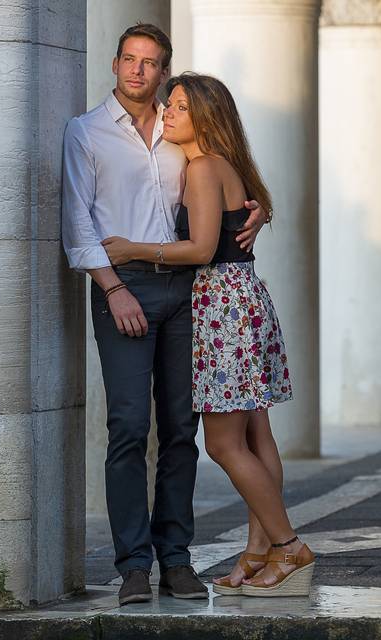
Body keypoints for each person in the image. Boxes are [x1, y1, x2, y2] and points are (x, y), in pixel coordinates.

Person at [60, 24, 268, 605]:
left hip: (191, 293)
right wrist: (112, 288)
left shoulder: (183, 131)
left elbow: (233, 185)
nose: (137, 71)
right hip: (124, 290)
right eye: (129, 59)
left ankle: (176, 558)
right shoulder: (87, 132)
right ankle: (132, 564)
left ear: (164, 70)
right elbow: (78, 224)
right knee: (128, 426)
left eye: (151, 63)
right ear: (114, 63)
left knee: (182, 431)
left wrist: (259, 212)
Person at [101, 72, 315, 598]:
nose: (167, 112)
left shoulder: (201, 168)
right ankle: (258, 552)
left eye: (177, 106)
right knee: (255, 436)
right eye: (167, 104)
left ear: (204, 116)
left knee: (222, 443)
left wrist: (132, 250)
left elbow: (199, 250)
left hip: (223, 308)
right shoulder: (225, 165)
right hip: (243, 300)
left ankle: (288, 547)